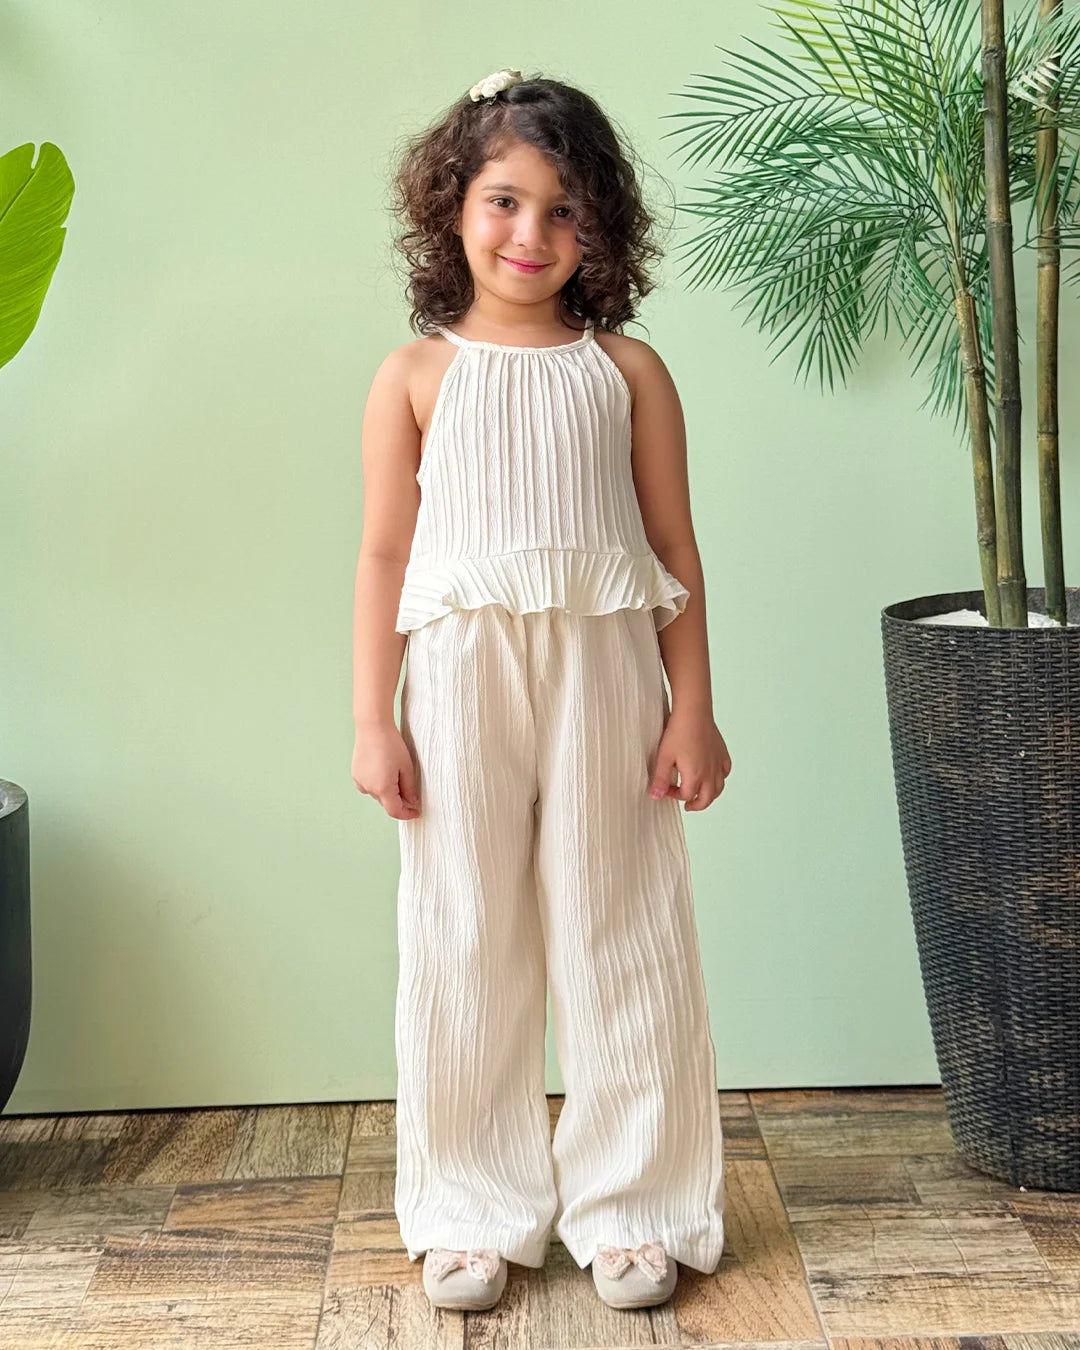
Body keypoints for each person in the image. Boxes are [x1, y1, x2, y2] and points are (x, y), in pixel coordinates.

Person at [351, 68, 732, 1314]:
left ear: (602, 226)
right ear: (452, 208)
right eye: (506, 201)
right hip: (459, 683)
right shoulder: (416, 374)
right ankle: (468, 1209)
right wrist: (372, 718)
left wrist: (692, 707)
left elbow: (673, 551)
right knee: (463, 932)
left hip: (607, 675)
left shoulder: (627, 371)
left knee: (622, 924)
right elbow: (385, 556)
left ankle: (637, 1206)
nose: (532, 233)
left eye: (566, 210)